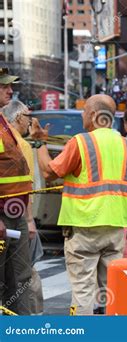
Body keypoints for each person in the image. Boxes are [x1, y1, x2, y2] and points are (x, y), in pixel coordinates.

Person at [30, 94, 127, 315]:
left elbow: (50, 172)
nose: (82, 116)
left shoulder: (81, 142)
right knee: (111, 291)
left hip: (84, 226)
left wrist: (40, 143)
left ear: (95, 115)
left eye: (85, 112)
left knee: (83, 291)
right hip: (115, 226)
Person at [3, 100, 44, 314]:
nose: (30, 122)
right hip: (10, 217)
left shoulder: (8, 133)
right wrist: (28, 221)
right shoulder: (18, 142)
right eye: (28, 117)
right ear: (19, 118)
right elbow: (26, 184)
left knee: (17, 277)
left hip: (11, 214)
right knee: (18, 277)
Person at [0, 68, 33, 315]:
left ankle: (20, 331)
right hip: (2, 216)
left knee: (20, 279)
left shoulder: (3, 123)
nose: (10, 90)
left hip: (15, 214)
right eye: (3, 87)